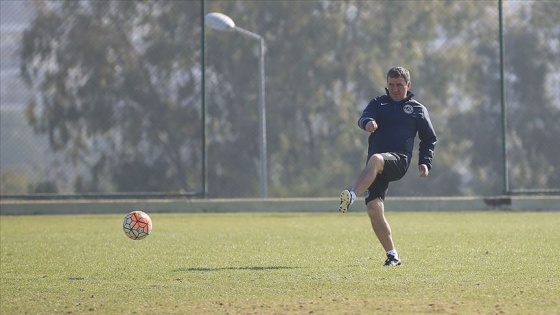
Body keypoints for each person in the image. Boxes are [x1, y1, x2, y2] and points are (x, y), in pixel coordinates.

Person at [339, 66, 437, 266]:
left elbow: (429, 139)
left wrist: (425, 162)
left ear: (408, 85)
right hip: (375, 168)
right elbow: (363, 118)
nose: (394, 89)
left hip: (398, 161)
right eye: (391, 85)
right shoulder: (378, 103)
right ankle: (393, 256)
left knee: (375, 159)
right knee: (374, 209)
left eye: (399, 85)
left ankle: (351, 195)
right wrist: (368, 124)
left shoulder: (417, 109)